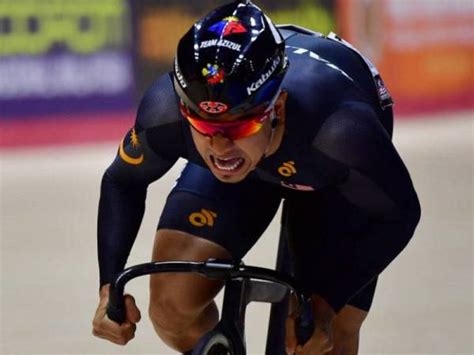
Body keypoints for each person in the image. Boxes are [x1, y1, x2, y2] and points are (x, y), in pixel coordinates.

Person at [92, 1, 421, 354]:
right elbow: (122, 181)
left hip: (329, 171)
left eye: (239, 126)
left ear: (276, 107)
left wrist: (325, 307)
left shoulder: (341, 131)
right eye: (204, 126)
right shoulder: (166, 112)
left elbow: (398, 214)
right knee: (171, 308)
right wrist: (109, 289)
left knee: (322, 338)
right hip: (272, 152)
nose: (220, 146)